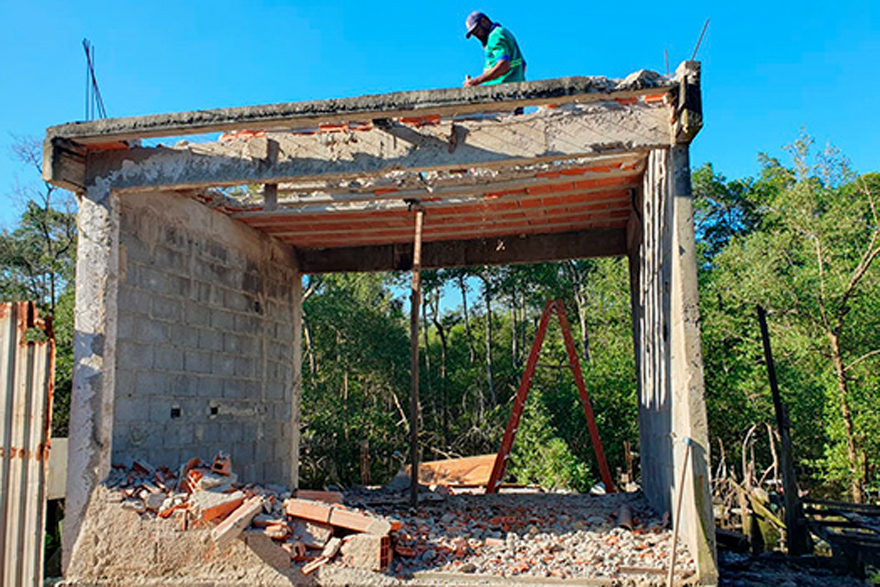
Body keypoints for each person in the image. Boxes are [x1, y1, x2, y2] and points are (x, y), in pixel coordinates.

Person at [463, 12, 526, 87]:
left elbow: (504, 65)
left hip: (503, 91)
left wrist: (476, 81)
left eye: (477, 30)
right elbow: (523, 64)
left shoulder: (495, 35)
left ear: (484, 21)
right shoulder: (501, 33)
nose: (477, 36)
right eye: (474, 34)